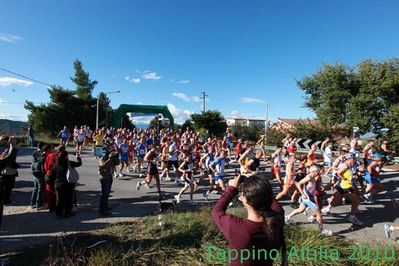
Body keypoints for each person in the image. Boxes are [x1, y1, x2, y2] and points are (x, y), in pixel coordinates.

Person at [212, 175, 286, 266]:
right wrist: (259, 187)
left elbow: (216, 211)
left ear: (246, 200)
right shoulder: (277, 219)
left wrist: (231, 189)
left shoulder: (237, 228)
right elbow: (274, 204)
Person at [285, 164, 332, 236]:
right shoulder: (309, 177)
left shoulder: (313, 177)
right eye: (317, 171)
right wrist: (302, 194)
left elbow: (311, 187)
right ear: (313, 171)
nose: (318, 173)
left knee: (300, 210)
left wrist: (320, 188)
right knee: (319, 214)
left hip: (308, 198)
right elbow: (298, 184)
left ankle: (287, 217)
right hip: (308, 198)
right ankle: (321, 231)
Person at [321, 153, 363, 225]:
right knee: (356, 201)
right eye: (354, 158)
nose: (355, 159)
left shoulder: (350, 165)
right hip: (345, 187)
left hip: (345, 186)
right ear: (349, 159)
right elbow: (338, 173)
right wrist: (345, 179)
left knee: (337, 198)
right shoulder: (345, 166)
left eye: (355, 158)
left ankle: (326, 209)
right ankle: (352, 216)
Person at [49, 148, 82, 218]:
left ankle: (59, 214)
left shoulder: (55, 165)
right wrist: (78, 157)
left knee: (59, 200)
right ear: (66, 156)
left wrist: (52, 184)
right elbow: (79, 164)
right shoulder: (69, 163)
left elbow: (51, 176)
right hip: (68, 184)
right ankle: (67, 213)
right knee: (68, 199)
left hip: (58, 185)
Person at [98, 150, 119, 216]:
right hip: (104, 178)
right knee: (104, 195)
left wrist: (116, 156)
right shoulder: (102, 160)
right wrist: (109, 159)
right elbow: (102, 166)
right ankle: (102, 210)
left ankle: (106, 206)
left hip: (109, 177)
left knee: (107, 194)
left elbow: (117, 163)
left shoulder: (111, 160)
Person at [31, 143, 51, 209]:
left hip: (35, 173)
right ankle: (38, 205)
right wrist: (46, 175)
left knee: (35, 188)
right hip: (40, 174)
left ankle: (33, 203)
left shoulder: (38, 154)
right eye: (50, 150)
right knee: (41, 189)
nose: (51, 151)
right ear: (48, 150)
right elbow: (43, 169)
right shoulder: (44, 157)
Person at [1, 136, 18, 205]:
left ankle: (4, 200)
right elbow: (10, 158)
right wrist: (12, 144)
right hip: (9, 172)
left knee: (4, 187)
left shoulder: (5, 150)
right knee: (8, 187)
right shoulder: (10, 150)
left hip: (4, 172)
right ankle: (6, 201)